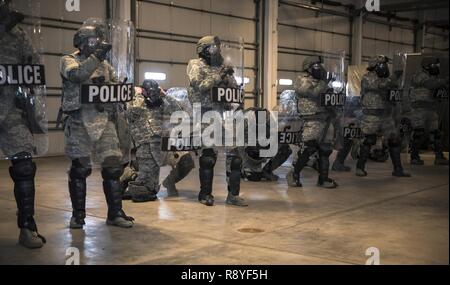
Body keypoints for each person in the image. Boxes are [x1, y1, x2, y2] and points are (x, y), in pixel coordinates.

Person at [60, 23, 134, 229]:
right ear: (81, 43)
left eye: (98, 42)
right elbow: (77, 75)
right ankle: (78, 216)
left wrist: (121, 89)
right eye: (92, 42)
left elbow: (117, 87)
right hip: (78, 120)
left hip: (104, 120)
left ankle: (115, 213)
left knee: (113, 167)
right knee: (80, 169)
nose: (96, 45)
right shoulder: (68, 60)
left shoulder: (105, 66)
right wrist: (96, 58)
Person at [0, 0, 46, 248]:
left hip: (9, 110)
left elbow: (34, 66)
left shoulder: (17, 34)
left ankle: (27, 227)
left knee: (25, 167)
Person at [187, 35, 247, 206]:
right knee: (208, 157)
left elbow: (235, 88)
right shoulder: (195, 64)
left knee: (235, 157)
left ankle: (233, 195)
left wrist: (229, 80)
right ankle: (205, 194)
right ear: (203, 50)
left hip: (226, 114)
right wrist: (219, 76)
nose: (217, 51)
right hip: (206, 114)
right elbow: (200, 85)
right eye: (213, 48)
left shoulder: (223, 67)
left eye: (218, 48)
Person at [125, 81, 195, 202]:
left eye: (155, 93)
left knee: (186, 161)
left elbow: (178, 110)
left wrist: (165, 95)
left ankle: (168, 182)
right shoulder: (135, 101)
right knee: (145, 182)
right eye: (151, 93)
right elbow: (132, 113)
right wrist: (138, 95)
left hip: (162, 145)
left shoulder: (161, 103)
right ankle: (130, 180)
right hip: (143, 146)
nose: (153, 96)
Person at [287, 56, 339, 188]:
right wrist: (324, 83)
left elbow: (328, 98)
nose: (320, 68)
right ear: (308, 68)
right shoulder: (302, 80)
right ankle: (294, 174)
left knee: (325, 150)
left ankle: (323, 179)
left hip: (325, 119)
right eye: (316, 66)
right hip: (312, 119)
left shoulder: (322, 82)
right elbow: (313, 93)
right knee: (309, 148)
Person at [356, 55, 411, 178]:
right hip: (372, 115)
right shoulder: (368, 78)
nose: (385, 67)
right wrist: (395, 76)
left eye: (385, 65)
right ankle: (360, 167)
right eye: (381, 65)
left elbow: (393, 89)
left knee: (394, 141)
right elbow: (382, 85)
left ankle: (398, 169)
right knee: (369, 140)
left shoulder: (386, 79)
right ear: (374, 67)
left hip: (386, 115)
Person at [408, 56, 449, 166]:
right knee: (418, 132)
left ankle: (439, 157)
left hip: (431, 109)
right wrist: (445, 81)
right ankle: (414, 157)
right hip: (419, 109)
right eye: (434, 65)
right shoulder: (420, 75)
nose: (436, 68)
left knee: (436, 133)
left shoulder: (432, 77)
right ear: (427, 66)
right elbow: (431, 84)